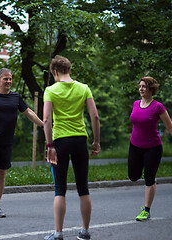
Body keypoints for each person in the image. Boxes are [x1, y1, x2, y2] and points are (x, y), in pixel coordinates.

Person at [0, 68, 44, 218]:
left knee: (1, 173)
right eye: (6, 79)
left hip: (6, 142)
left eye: (10, 79)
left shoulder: (16, 98)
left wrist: (43, 125)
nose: (9, 82)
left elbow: (29, 112)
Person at [43, 55, 100, 240]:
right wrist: (96, 141)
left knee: (60, 189)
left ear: (55, 72)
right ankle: (84, 231)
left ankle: (58, 233)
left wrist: (49, 144)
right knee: (83, 187)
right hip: (80, 140)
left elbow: (46, 120)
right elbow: (95, 117)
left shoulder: (50, 90)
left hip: (60, 141)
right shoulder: (84, 88)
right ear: (70, 70)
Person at [128, 76, 172, 221]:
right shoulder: (135, 104)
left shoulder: (158, 106)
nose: (141, 89)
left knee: (149, 178)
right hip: (134, 145)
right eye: (140, 86)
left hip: (153, 148)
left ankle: (146, 210)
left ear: (151, 89)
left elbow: (169, 126)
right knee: (133, 176)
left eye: (144, 86)